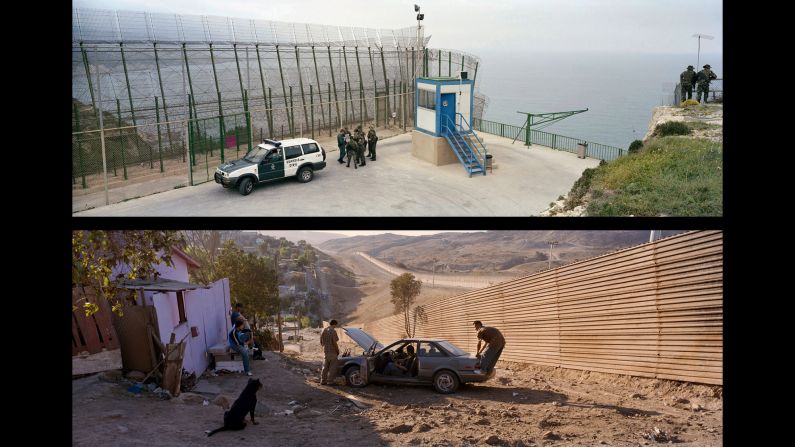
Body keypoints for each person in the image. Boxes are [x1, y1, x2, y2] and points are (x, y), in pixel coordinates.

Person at [320, 319, 341, 385]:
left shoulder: (323, 330)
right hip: (332, 352)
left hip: (326, 351)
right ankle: (330, 381)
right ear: (334, 324)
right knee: (332, 367)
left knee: (325, 367)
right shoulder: (333, 331)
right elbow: (335, 342)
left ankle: (323, 381)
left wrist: (325, 347)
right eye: (335, 325)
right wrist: (337, 351)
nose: (335, 327)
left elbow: (321, 341)